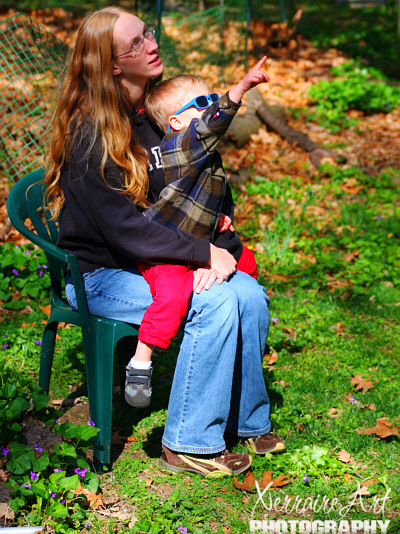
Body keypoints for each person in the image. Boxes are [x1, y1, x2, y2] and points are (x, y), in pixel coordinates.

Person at [44, 6, 285, 477]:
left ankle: (247, 421)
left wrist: (221, 220)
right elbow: (124, 231)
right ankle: (188, 443)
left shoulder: (151, 114)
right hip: (100, 274)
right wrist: (199, 253)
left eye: (148, 34)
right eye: (135, 43)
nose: (151, 45)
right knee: (215, 304)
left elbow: (196, 167)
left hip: (154, 261)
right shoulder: (90, 133)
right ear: (113, 65)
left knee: (249, 295)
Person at [127, 65, 267, 408]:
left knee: (246, 266)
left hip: (197, 239)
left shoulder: (203, 152)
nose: (211, 105)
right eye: (203, 101)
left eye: (212, 97)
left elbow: (209, 193)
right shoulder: (182, 145)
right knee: (171, 294)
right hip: (166, 249)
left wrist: (220, 220)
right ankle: (141, 360)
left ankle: (238, 346)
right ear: (176, 122)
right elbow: (214, 122)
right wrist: (239, 89)